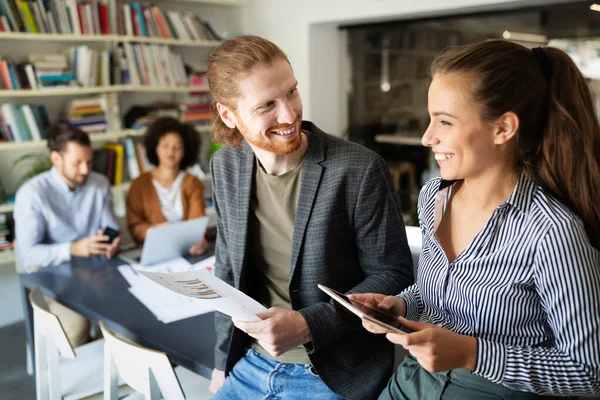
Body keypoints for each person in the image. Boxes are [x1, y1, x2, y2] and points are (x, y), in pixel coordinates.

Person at [353, 39, 600, 399]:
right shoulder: (433, 196)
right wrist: (402, 304)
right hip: (411, 381)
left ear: (503, 128)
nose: (427, 137)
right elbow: (442, 292)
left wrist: (473, 353)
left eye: (445, 122)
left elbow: (590, 373)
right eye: (430, 119)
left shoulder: (551, 233)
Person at [207, 35, 414, 400]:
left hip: (335, 373)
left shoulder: (359, 168)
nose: (289, 115)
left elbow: (394, 274)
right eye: (267, 105)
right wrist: (220, 362)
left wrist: (307, 325)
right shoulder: (225, 166)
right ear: (229, 114)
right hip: (250, 361)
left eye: (291, 92)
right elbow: (227, 270)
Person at [14, 124, 121, 346]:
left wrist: (113, 240)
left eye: (89, 162)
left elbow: (110, 226)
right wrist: (73, 248)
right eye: (77, 163)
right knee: (75, 331)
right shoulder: (32, 194)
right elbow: (27, 256)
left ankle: (113, 369)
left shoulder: (99, 183)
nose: (85, 170)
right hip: (54, 278)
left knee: (127, 322)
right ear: (56, 158)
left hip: (98, 272)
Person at [126, 117, 207, 255]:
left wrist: (199, 241)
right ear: (155, 147)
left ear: (185, 151)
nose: (171, 151)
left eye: (177, 146)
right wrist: (155, 230)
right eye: (165, 145)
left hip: (186, 251)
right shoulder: (139, 185)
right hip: (154, 252)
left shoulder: (193, 183)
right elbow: (135, 226)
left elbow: (197, 223)